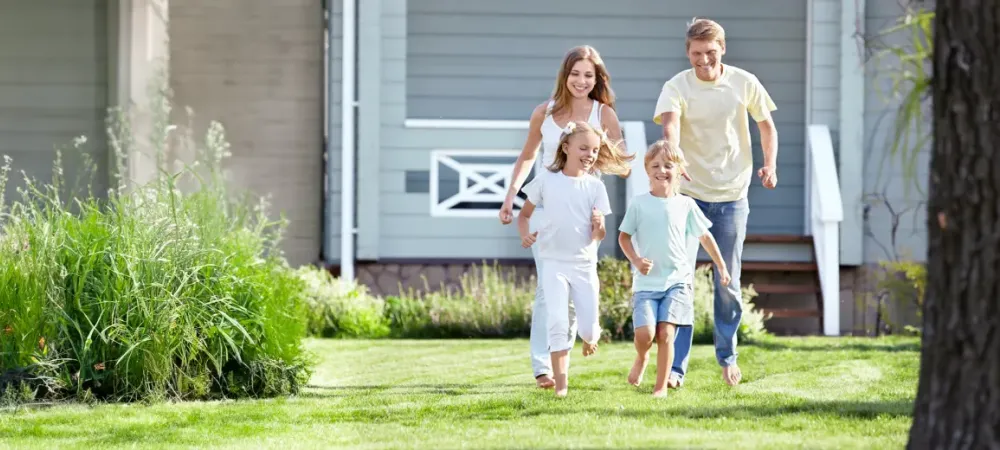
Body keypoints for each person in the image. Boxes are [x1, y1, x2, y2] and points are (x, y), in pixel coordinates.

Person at [653, 18, 779, 387]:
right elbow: (669, 127)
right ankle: (676, 367)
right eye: (696, 54)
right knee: (680, 281)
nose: (703, 60)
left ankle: (727, 356)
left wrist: (770, 165)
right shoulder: (677, 85)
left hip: (732, 196)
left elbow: (766, 126)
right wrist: (676, 157)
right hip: (689, 196)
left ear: (722, 49)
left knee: (728, 281)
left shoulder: (744, 82)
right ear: (687, 52)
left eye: (710, 52)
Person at [498, 45, 630, 389]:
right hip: (545, 210)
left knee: (574, 292)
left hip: (583, 214)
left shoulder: (605, 115)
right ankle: (544, 367)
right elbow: (528, 155)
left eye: (589, 75)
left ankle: (564, 361)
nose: (581, 81)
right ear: (565, 76)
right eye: (575, 74)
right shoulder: (544, 112)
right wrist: (512, 194)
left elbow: (622, 162)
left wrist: (588, 161)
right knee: (548, 290)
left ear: (597, 79)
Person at [517, 120, 632, 397]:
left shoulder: (595, 187)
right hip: (553, 263)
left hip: (583, 265)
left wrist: (598, 225)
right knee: (557, 320)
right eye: (584, 148)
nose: (590, 155)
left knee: (590, 330)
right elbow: (524, 214)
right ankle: (561, 386)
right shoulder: (545, 180)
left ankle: (590, 338)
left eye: (594, 150)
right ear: (565, 147)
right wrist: (525, 235)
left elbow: (600, 235)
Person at [617, 140, 731, 398]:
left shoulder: (686, 205)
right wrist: (635, 260)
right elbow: (623, 237)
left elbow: (705, 238)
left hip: (677, 281)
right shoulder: (639, 204)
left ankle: (660, 388)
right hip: (646, 283)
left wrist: (721, 266)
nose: (662, 170)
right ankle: (642, 356)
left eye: (668, 165)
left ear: (679, 170)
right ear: (647, 170)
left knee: (666, 333)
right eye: (655, 165)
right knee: (645, 335)